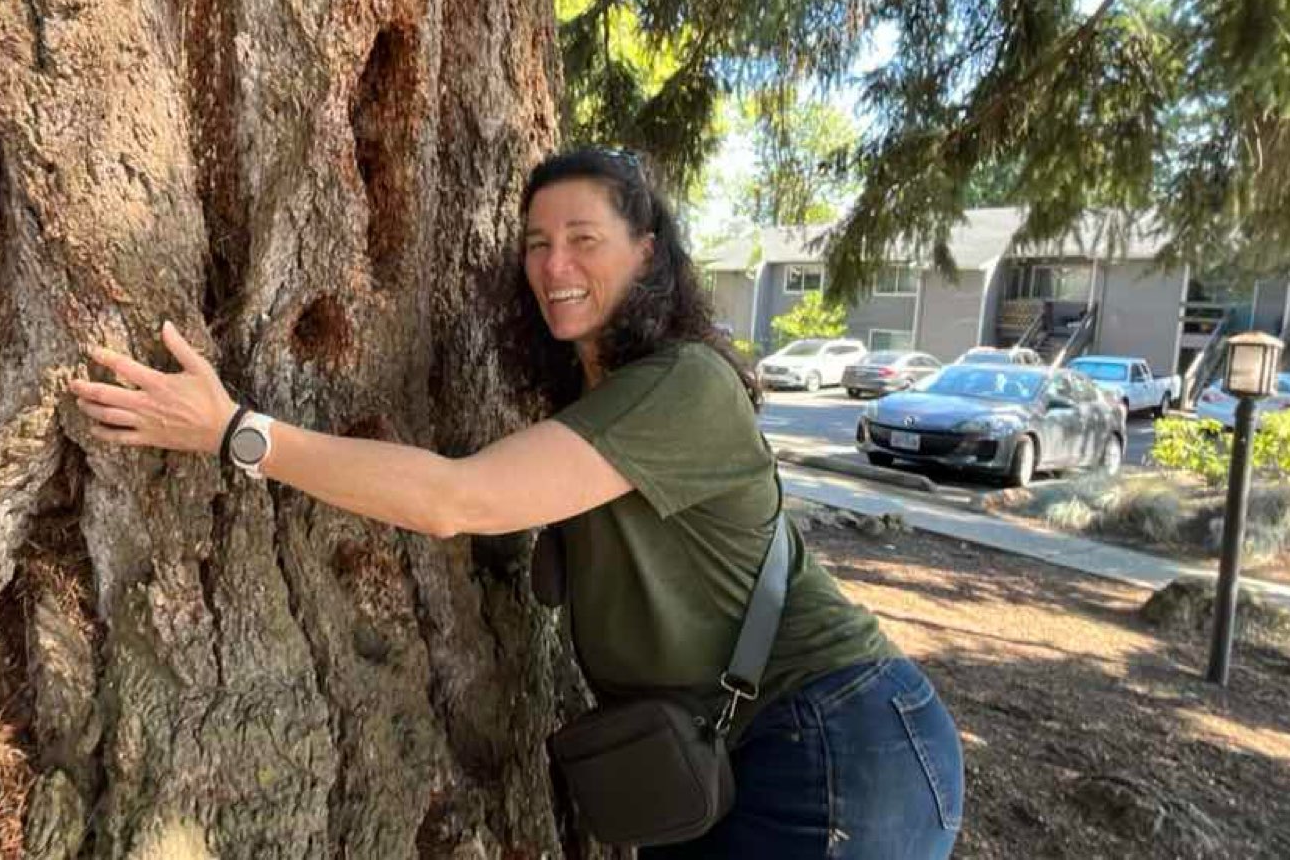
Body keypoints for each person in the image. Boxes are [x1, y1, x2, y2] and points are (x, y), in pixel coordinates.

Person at [66, 148, 963, 858]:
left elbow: (460, 499)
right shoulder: (596, 407)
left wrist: (233, 431)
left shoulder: (684, 385)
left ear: (648, 254)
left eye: (583, 238)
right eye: (536, 242)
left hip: (834, 738)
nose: (553, 263)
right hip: (733, 756)